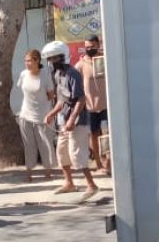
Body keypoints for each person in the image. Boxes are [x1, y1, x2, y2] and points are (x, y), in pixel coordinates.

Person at [42, 40, 99, 198]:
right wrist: (52, 113)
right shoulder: (57, 74)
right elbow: (62, 100)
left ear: (62, 57)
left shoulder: (72, 73)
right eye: (49, 59)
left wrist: (72, 119)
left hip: (77, 120)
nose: (51, 61)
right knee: (61, 152)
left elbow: (80, 98)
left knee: (77, 153)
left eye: (54, 58)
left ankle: (91, 185)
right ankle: (69, 183)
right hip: (64, 120)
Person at [15, 49, 56, 181]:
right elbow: (21, 90)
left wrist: (48, 111)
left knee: (45, 144)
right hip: (25, 114)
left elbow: (51, 95)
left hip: (43, 116)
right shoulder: (23, 74)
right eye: (25, 61)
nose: (27, 63)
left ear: (37, 61)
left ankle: (48, 173)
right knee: (29, 145)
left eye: (29, 61)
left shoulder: (45, 74)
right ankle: (29, 174)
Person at [78, 34, 110, 175]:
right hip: (90, 108)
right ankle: (98, 164)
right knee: (94, 136)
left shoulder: (105, 59)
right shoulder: (81, 64)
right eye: (87, 47)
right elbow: (73, 79)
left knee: (106, 135)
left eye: (92, 46)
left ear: (98, 45)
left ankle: (108, 163)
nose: (89, 49)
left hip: (106, 106)